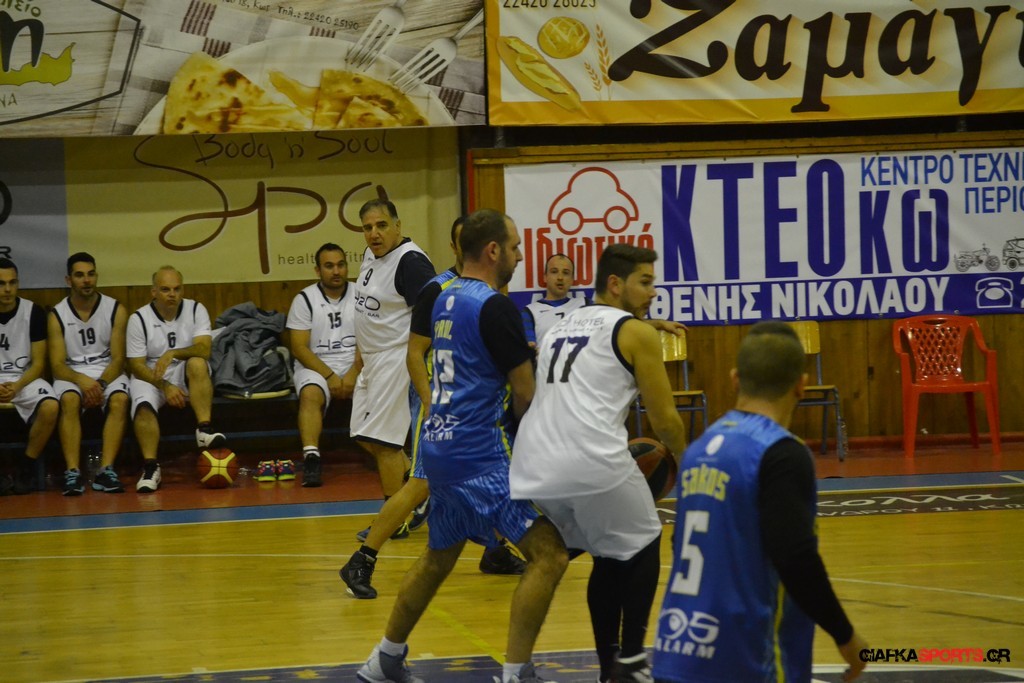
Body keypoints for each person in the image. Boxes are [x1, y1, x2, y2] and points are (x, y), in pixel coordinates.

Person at [356, 209, 569, 683]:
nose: (519, 255)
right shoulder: (496, 307)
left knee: (438, 558)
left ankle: (384, 660)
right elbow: (525, 393)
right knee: (551, 555)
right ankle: (517, 673)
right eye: (514, 246)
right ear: (493, 251)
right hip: (481, 454)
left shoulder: (443, 296)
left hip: (440, 448)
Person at [651, 321, 868, 683]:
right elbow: (796, 558)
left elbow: (679, 545)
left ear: (735, 379)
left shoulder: (697, 450)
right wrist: (846, 637)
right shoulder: (781, 452)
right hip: (744, 659)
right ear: (801, 385)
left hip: (675, 651)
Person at [510, 244, 688, 683]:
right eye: (645, 282)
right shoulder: (637, 333)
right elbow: (664, 420)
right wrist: (689, 465)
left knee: (607, 554)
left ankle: (609, 666)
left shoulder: (561, 326)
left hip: (534, 461)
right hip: (588, 457)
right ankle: (631, 661)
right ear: (615, 284)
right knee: (645, 541)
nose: (653, 292)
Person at [341, 217, 525, 601]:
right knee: (421, 483)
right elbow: (414, 354)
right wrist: (430, 403)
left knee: (494, 474)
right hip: (440, 401)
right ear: (456, 247)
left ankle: (495, 551)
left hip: (476, 405)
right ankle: (362, 560)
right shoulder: (436, 290)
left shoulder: (488, 290)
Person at [349, 199, 435, 536]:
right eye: (367, 227)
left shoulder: (411, 263)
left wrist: (418, 357)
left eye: (382, 225)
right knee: (363, 434)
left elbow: (432, 312)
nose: (374, 233)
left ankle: (393, 520)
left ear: (398, 226)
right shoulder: (372, 255)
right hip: (372, 359)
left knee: (384, 444)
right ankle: (417, 488)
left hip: (396, 357)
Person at [126, 265, 225, 493]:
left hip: (181, 367)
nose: (172, 294)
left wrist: (173, 353)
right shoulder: (138, 318)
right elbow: (136, 365)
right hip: (151, 374)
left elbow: (204, 349)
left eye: (177, 289)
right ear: (153, 292)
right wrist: (165, 386)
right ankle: (151, 467)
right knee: (143, 406)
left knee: (198, 363)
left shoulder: (195, 309)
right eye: (165, 289)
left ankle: (204, 429)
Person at [275, 243, 360, 487]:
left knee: (382, 385)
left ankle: (387, 451)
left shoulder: (362, 294)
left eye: (341, 265)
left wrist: (354, 371)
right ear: (317, 270)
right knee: (310, 394)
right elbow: (299, 348)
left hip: (356, 362)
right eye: (329, 266)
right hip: (316, 365)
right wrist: (330, 375)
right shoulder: (304, 299)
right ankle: (311, 457)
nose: (336, 271)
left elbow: (371, 339)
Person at [48, 252, 130, 495]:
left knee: (120, 399)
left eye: (91, 274)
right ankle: (73, 472)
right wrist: (81, 381)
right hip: (72, 373)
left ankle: (106, 470)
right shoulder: (57, 314)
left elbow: (119, 359)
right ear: (68, 280)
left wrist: (100, 384)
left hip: (106, 371)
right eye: (80, 275)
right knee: (69, 400)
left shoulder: (115, 309)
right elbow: (57, 365)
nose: (86, 280)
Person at [0, 258, 58, 495]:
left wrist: (17, 386)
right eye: (1, 283)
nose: (7, 289)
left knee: (51, 406)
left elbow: (39, 363)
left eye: (12, 282)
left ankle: (26, 467)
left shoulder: (33, 312)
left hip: (23, 378)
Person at [521, 254, 589, 348]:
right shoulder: (529, 312)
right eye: (554, 272)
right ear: (545, 277)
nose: (560, 277)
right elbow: (529, 348)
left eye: (566, 273)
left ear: (572, 279)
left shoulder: (586, 305)